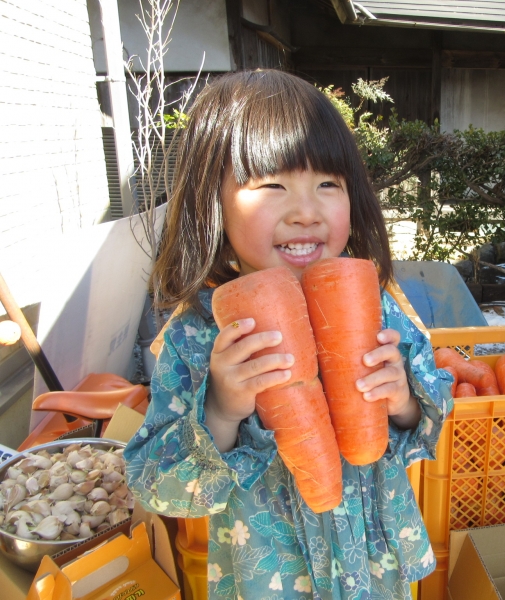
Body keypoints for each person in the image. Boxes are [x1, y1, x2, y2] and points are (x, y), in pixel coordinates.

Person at [123, 70, 454, 600]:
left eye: (328, 185)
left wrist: (404, 402)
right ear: (215, 202)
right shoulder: (195, 336)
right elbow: (162, 488)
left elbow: (432, 414)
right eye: (272, 186)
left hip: (372, 568)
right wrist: (223, 410)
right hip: (273, 580)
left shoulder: (376, 307)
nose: (306, 212)